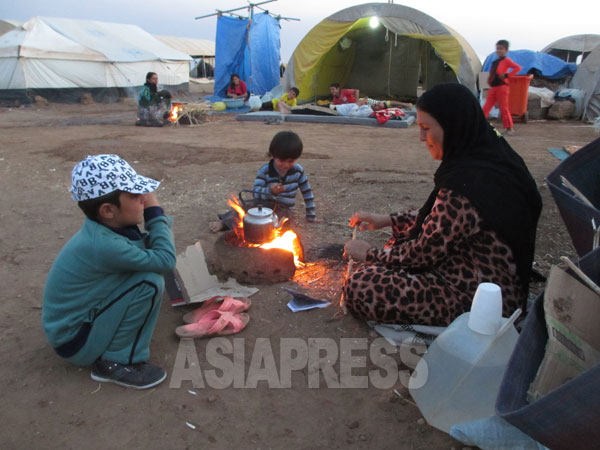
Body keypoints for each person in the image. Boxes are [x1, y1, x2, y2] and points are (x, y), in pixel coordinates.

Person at [343, 83, 542, 326]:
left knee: (361, 286)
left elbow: (424, 252)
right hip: (495, 284)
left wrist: (368, 254)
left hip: (478, 298)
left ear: (453, 126)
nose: (421, 138)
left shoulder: (467, 184)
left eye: (426, 128)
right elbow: (442, 222)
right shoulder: (491, 158)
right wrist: (387, 220)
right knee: (396, 244)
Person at [42, 154, 176, 389]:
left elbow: (155, 246)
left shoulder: (107, 228)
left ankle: (112, 348)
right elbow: (165, 260)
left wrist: (155, 216)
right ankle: (115, 363)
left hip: (75, 327)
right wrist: (155, 213)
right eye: (136, 195)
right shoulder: (104, 245)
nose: (144, 199)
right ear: (107, 210)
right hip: (75, 341)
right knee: (149, 281)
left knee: (144, 270)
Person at [210, 130, 317, 232]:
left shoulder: (298, 171)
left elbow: (307, 193)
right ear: (273, 155)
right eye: (281, 160)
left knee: (283, 220)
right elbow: (256, 192)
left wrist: (311, 215)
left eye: (290, 161)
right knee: (248, 206)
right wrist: (271, 191)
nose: (286, 165)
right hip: (265, 204)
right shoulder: (265, 171)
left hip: (285, 209)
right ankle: (225, 223)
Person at [482, 40, 522, 135]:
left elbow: (517, 68)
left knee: (504, 108)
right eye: (497, 48)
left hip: (502, 87)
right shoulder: (495, 61)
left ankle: (509, 128)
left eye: (501, 48)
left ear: (506, 50)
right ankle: (480, 126)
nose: (499, 50)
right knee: (486, 108)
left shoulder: (506, 60)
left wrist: (507, 75)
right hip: (493, 87)